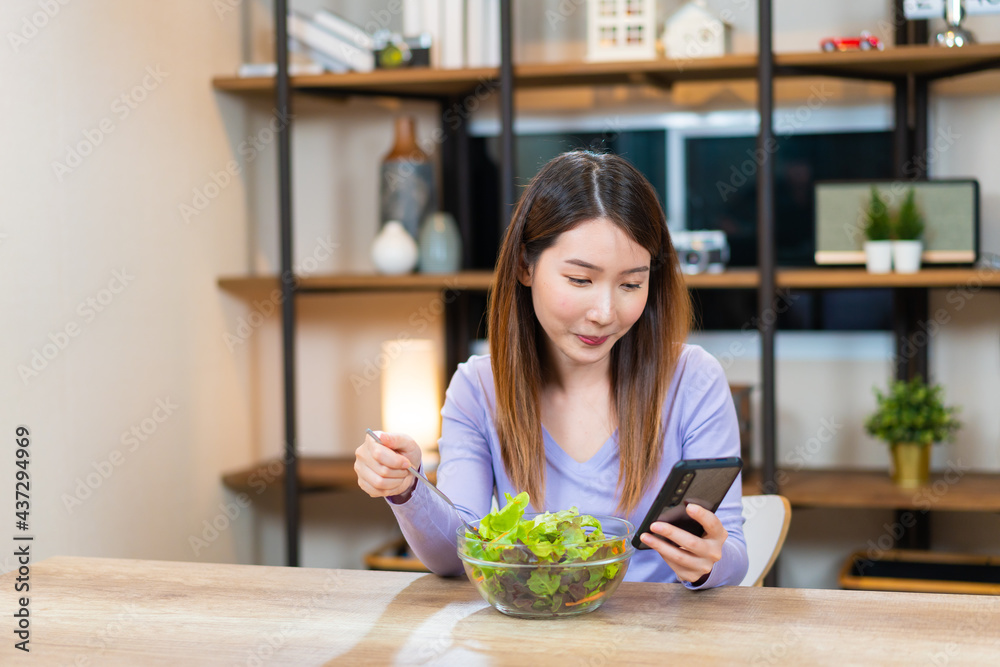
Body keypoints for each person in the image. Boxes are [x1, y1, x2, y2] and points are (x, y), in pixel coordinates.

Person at [355, 150, 748, 588]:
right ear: (525, 265)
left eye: (631, 284)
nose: (604, 312)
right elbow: (456, 556)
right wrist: (407, 489)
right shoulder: (479, 389)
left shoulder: (692, 379)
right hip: (530, 636)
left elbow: (732, 554)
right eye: (580, 280)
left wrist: (709, 562)